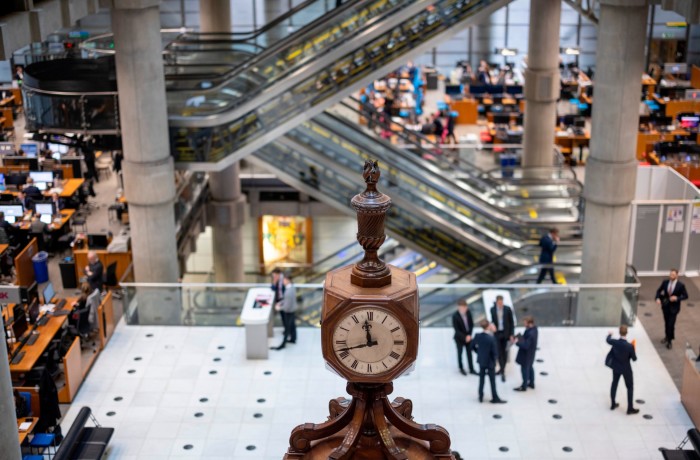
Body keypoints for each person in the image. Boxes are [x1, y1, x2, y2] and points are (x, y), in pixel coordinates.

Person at [606, 325, 639, 415]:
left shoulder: (615, 342)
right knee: (630, 387)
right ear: (626, 333)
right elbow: (634, 359)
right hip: (626, 369)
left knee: (614, 383)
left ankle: (613, 404)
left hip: (616, 367)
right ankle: (630, 408)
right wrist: (634, 349)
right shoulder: (630, 346)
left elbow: (608, 340)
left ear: (619, 332)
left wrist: (609, 334)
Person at [471, 320, 506, 404]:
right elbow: (495, 353)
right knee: (492, 381)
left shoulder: (477, 336)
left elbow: (472, 346)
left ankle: (480, 396)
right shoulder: (491, 338)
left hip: (481, 361)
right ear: (488, 326)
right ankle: (495, 397)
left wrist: (478, 352)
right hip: (490, 363)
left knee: (481, 379)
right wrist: (495, 361)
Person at [655, 269, 688, 349]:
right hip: (666, 306)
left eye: (673, 275)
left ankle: (670, 340)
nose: (671, 276)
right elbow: (659, 291)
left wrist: (677, 298)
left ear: (677, 275)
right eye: (670, 274)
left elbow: (685, 296)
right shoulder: (665, 282)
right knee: (666, 323)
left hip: (674, 308)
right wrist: (657, 298)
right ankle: (666, 336)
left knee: (671, 324)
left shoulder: (680, 285)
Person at [490, 295, 514, 382]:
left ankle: (502, 370)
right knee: (499, 352)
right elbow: (492, 321)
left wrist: (511, 334)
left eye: (501, 302)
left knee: (505, 352)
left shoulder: (507, 309)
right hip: (497, 333)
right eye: (499, 303)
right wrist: (492, 326)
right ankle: (502, 370)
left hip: (506, 333)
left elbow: (511, 322)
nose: (500, 304)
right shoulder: (492, 310)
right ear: (496, 302)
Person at [452, 299, 476, 376]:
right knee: (460, 353)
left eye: (465, 307)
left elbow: (471, 325)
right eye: (462, 307)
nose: (464, 309)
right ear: (459, 307)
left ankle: (471, 369)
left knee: (469, 353)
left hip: (468, 337)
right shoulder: (455, 316)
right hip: (459, 338)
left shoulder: (468, 313)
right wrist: (465, 337)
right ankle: (461, 368)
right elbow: (457, 330)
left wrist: (469, 335)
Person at [273, 276, 297, 350]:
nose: (283, 282)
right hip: (292, 310)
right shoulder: (291, 287)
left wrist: (279, 308)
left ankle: (283, 344)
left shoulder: (288, 291)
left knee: (287, 328)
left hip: (288, 312)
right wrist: (280, 302)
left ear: (287, 280)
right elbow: (286, 300)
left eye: (284, 280)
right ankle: (293, 339)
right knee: (292, 325)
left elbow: (286, 307)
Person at [514, 316, 538, 391]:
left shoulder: (531, 333)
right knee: (530, 367)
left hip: (526, 355)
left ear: (529, 323)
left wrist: (516, 342)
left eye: (525, 323)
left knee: (524, 370)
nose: (524, 324)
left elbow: (525, 345)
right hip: (531, 354)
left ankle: (524, 386)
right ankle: (531, 383)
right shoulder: (534, 329)